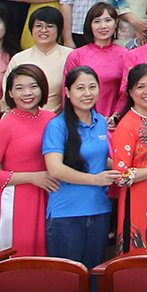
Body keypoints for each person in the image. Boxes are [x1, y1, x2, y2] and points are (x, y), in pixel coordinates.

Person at [41, 67, 115, 269]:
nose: (87, 93)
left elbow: (102, 159)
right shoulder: (57, 126)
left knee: (95, 278)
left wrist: (127, 168)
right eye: (80, 88)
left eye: (92, 87)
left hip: (99, 210)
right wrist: (95, 179)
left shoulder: (101, 122)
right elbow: (55, 169)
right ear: (67, 92)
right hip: (66, 213)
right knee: (68, 278)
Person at [0, 64, 57, 255]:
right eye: (19, 88)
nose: (27, 93)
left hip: (51, 195)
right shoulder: (3, 127)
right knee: (18, 255)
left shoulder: (52, 119)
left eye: (33, 86)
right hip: (17, 200)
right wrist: (32, 177)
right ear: (10, 93)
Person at [109, 64, 147, 251]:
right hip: (139, 199)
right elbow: (121, 176)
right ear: (130, 92)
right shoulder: (127, 125)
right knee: (142, 251)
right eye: (140, 87)